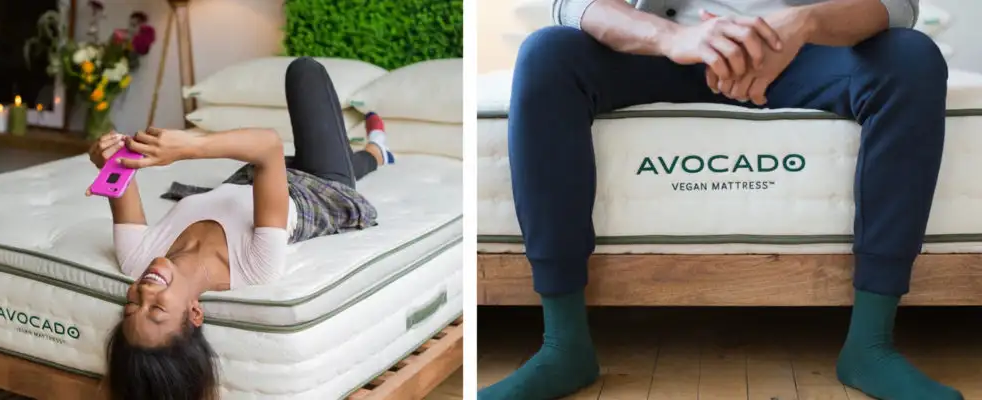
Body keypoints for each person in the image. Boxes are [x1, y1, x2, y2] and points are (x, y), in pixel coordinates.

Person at [479, 0, 958, 400]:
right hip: (665, 51)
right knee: (546, 52)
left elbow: (897, 5)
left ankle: (870, 346)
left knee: (912, 57)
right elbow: (572, 4)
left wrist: (804, 22)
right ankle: (564, 346)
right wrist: (670, 37)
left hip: (806, 52)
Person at [94, 57, 396, 400]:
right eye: (158, 309)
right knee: (304, 72)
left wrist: (106, 156)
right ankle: (376, 150)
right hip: (316, 187)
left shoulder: (135, 260)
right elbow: (267, 147)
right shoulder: (256, 267)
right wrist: (187, 146)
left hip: (253, 177)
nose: (144, 293)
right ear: (194, 312)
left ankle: (374, 152)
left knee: (310, 144)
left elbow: (118, 175)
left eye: (132, 306)